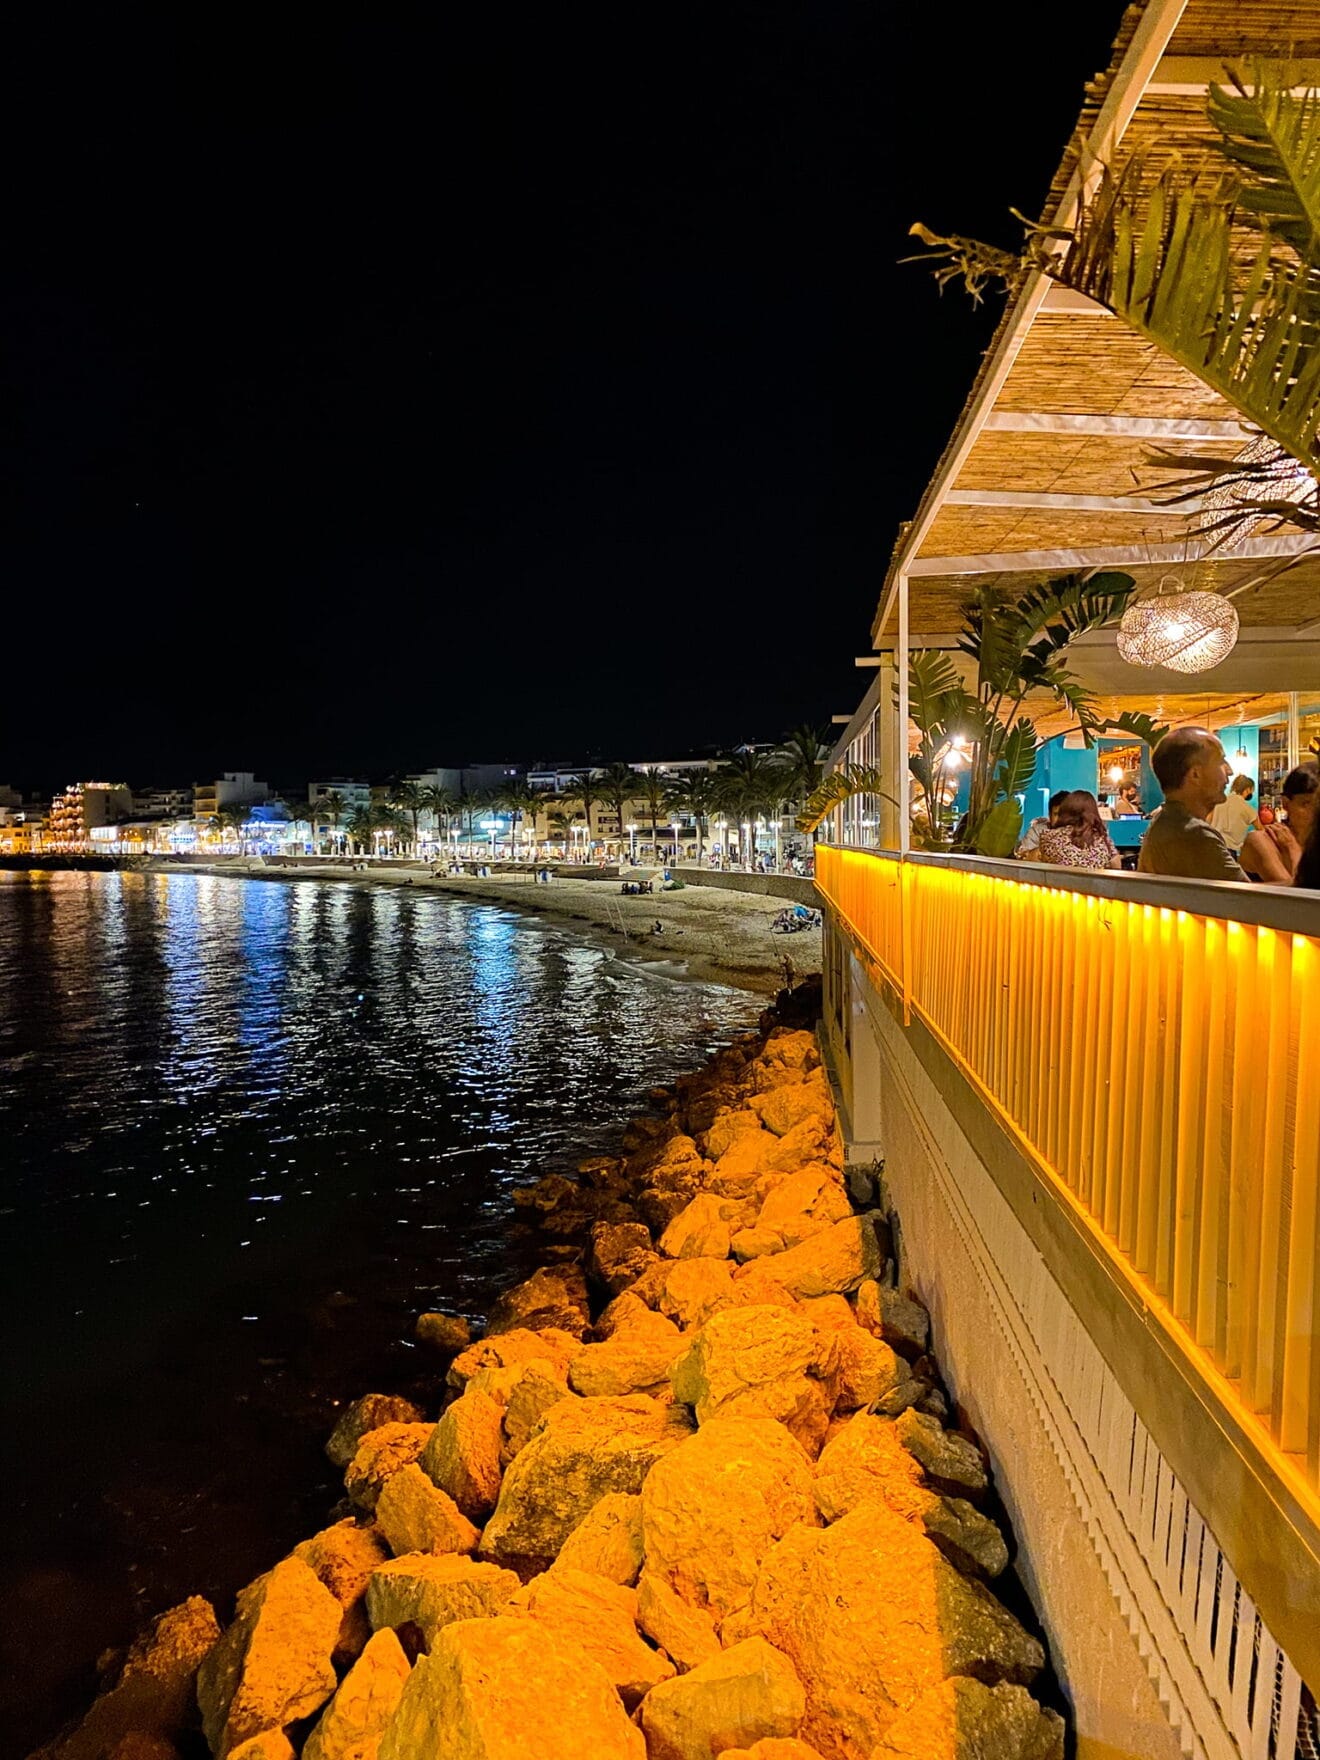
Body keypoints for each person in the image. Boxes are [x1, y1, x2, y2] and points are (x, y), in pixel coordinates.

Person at [1138, 728, 1247, 881]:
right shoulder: (1195, 835)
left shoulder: (1165, 823)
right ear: (1195, 774)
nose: (1230, 771)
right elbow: (1252, 900)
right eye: (1221, 761)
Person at [1261, 763, 1319, 878]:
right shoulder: (1265, 840)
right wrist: (1292, 848)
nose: (1314, 811)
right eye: (1306, 804)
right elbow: (1297, 893)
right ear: (1286, 804)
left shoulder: (1314, 845)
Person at [1036, 791, 1120, 869]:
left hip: (1059, 884)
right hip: (1096, 884)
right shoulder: (1103, 839)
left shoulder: (1048, 837)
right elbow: (1117, 866)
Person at [1209, 774, 1258, 852]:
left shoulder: (1219, 802)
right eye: (1252, 790)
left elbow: (1208, 820)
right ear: (1248, 789)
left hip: (1212, 845)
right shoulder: (1248, 809)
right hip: (1229, 851)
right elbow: (1260, 829)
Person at [1016, 791, 1069, 858]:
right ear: (1049, 815)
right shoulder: (1037, 831)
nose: (1060, 819)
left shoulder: (1081, 834)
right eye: (1056, 814)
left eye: (1065, 815)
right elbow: (1024, 856)